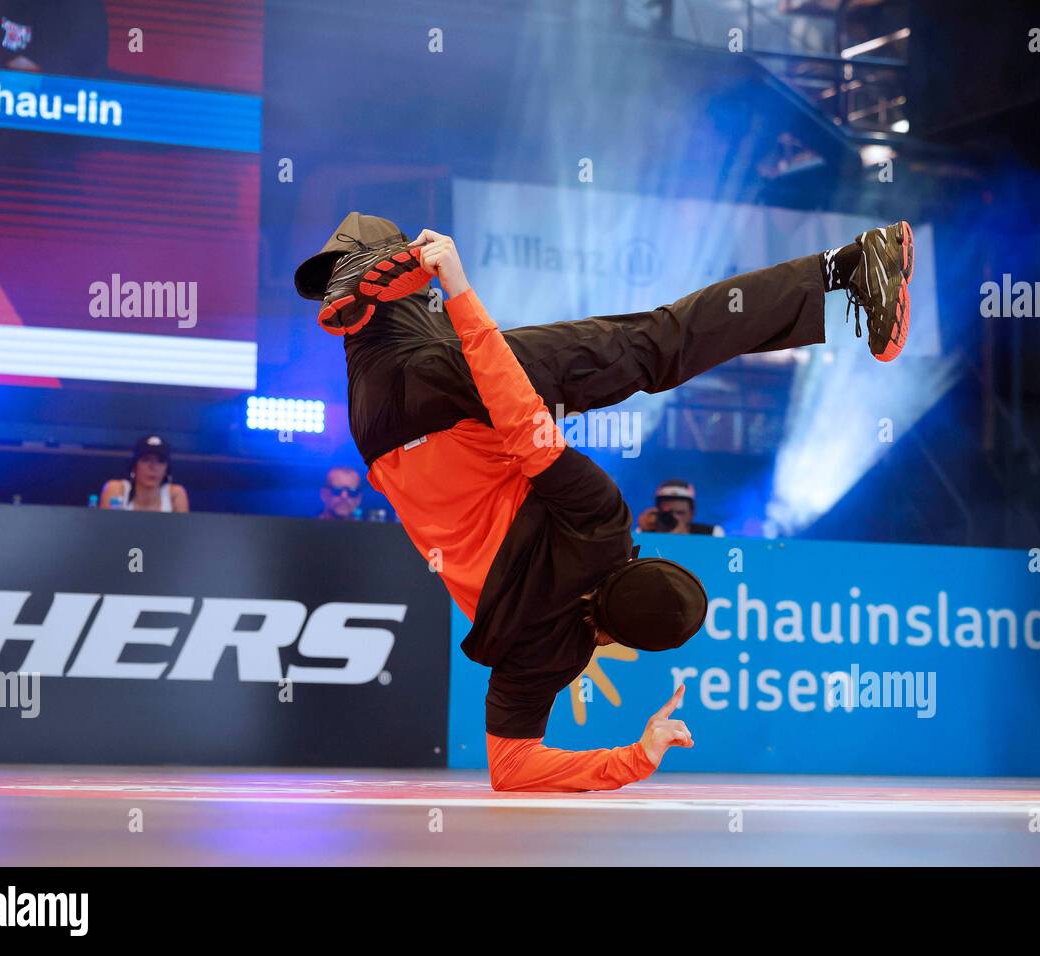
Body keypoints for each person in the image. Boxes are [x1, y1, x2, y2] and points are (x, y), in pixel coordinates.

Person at [294, 213, 913, 791]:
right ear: (618, 639)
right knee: (387, 318)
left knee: (654, 344)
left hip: (452, 396)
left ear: (642, 563)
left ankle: (846, 267)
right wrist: (637, 757)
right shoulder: (543, 653)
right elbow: (511, 769)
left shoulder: (600, 529)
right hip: (377, 425)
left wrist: (461, 294)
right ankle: (370, 274)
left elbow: (518, 416)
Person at [99, 435, 189, 513]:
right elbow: (106, 528)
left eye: (160, 461)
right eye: (146, 460)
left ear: (167, 469)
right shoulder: (117, 489)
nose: (153, 467)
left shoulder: (175, 494)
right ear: (134, 466)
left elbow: (183, 531)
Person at [636, 478, 725, 536]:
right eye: (668, 513)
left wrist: (682, 538)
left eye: (680, 513)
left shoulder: (713, 534)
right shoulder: (645, 533)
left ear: (692, 513)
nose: (674, 517)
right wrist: (642, 534)